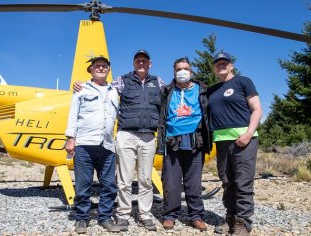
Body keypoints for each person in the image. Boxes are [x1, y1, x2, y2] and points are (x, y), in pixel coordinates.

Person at [73, 49, 165, 232]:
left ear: (150, 64)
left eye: (144, 61)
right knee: (124, 179)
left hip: (148, 136)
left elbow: (171, 96)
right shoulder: (121, 81)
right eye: (138, 60)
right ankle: (123, 214)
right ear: (133, 63)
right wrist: (81, 85)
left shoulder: (159, 82)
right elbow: (101, 88)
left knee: (146, 179)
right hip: (126, 135)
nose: (141, 63)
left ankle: (145, 215)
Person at [208, 52, 262, 236]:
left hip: (243, 141)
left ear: (231, 65)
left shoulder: (243, 81)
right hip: (221, 142)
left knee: (243, 182)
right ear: (214, 68)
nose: (221, 65)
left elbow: (257, 109)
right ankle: (230, 217)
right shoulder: (212, 89)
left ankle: (243, 222)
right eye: (217, 64)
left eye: (224, 63)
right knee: (227, 182)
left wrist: (248, 134)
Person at [65, 56, 120, 234]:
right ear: (91, 70)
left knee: (109, 184)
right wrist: (70, 138)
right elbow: (73, 114)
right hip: (84, 144)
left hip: (107, 145)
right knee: (83, 185)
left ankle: (105, 217)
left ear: (108, 70)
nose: (101, 68)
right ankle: (81, 218)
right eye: (97, 66)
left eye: (104, 66)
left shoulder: (114, 91)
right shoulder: (81, 89)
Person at [156, 57, 212, 232]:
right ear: (174, 72)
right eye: (179, 69)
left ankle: (196, 216)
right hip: (172, 142)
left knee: (193, 182)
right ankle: (169, 216)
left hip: (195, 140)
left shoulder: (202, 90)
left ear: (191, 71)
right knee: (171, 182)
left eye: (185, 68)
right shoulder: (166, 91)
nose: (182, 71)